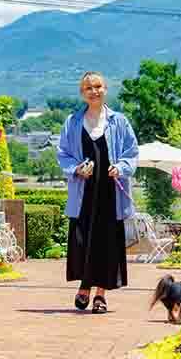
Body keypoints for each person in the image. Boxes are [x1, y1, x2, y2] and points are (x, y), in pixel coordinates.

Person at [56, 71, 139, 313]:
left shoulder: (119, 121)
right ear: (83, 93)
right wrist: (76, 169)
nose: (94, 91)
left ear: (105, 89)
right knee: (82, 240)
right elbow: (62, 154)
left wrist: (120, 167)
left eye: (98, 86)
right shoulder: (72, 122)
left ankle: (100, 295)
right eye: (89, 88)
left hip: (111, 193)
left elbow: (131, 153)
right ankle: (84, 285)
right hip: (83, 193)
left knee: (107, 244)